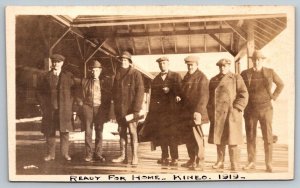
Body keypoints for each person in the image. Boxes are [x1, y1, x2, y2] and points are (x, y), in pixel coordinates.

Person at [241, 50, 284, 173]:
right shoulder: (245, 73)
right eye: (254, 59)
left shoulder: (270, 72)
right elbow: (239, 89)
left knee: (268, 137)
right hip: (250, 110)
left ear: (262, 60)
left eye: (259, 59)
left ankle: (269, 164)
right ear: (252, 60)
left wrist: (273, 96)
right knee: (250, 137)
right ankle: (251, 162)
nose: (256, 61)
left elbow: (281, 84)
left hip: (266, 109)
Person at [207, 58, 248, 171]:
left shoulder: (236, 78)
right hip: (218, 114)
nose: (222, 68)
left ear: (229, 66)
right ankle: (220, 161)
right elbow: (209, 98)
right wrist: (210, 112)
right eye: (220, 66)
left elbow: (243, 94)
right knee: (219, 138)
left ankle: (234, 163)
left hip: (231, 114)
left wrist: (236, 108)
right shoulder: (213, 80)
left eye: (225, 66)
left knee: (232, 139)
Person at [143, 56, 182, 166]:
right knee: (162, 135)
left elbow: (181, 92)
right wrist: (152, 113)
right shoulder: (155, 80)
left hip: (173, 112)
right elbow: (153, 98)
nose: (162, 65)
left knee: (172, 135)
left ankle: (175, 158)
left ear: (168, 64)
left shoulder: (176, 76)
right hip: (160, 113)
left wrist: (172, 91)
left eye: (164, 63)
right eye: (160, 64)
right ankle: (165, 156)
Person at [37, 54, 76, 161]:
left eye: (58, 62)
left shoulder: (68, 76)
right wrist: (43, 106)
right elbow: (40, 93)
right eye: (54, 62)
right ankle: (50, 154)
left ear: (62, 63)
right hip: (50, 110)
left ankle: (65, 154)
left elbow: (74, 92)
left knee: (65, 132)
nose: (55, 64)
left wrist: (71, 106)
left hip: (64, 110)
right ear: (52, 63)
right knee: (50, 132)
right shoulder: (45, 77)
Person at [112, 51, 144, 165]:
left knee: (132, 131)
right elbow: (114, 93)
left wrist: (135, 111)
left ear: (130, 62)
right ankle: (123, 156)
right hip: (120, 110)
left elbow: (140, 93)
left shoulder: (135, 74)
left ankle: (135, 156)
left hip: (131, 111)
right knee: (121, 131)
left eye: (125, 60)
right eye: (122, 60)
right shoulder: (118, 73)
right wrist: (115, 110)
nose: (123, 62)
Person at [79, 60, 113, 162]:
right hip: (88, 107)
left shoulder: (104, 82)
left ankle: (98, 153)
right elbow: (80, 95)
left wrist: (106, 111)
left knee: (99, 131)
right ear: (91, 71)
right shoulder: (85, 81)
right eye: (93, 70)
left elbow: (108, 98)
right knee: (88, 132)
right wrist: (83, 105)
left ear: (100, 70)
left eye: (96, 70)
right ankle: (89, 154)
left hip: (100, 109)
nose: (94, 72)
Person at [180, 55, 209, 170]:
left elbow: (204, 97)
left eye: (191, 65)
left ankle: (200, 162)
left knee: (197, 138)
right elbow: (183, 93)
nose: (189, 67)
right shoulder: (186, 77)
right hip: (186, 113)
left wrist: (198, 112)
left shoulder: (201, 77)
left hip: (196, 113)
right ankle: (192, 159)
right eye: (188, 65)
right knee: (188, 138)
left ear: (197, 65)